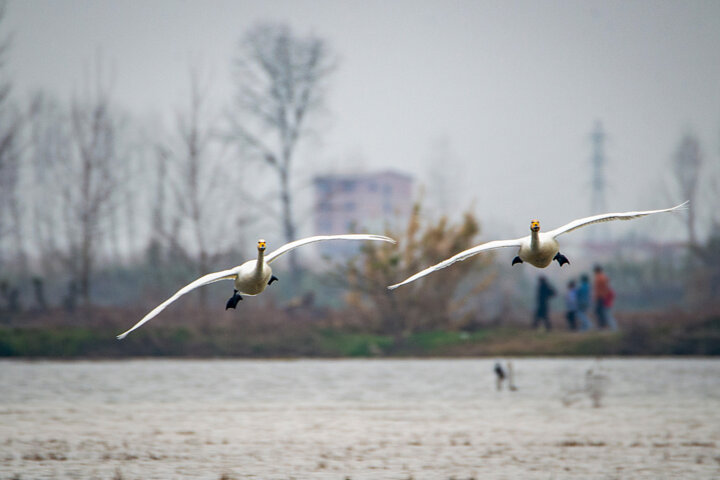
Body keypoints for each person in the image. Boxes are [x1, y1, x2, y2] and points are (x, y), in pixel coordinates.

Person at [593, 265, 618, 331]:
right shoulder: (603, 277)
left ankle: (602, 326)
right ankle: (603, 326)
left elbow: (600, 289)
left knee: (601, 313)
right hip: (603, 297)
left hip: (601, 297)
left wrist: (596, 297)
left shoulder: (599, 278)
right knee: (601, 312)